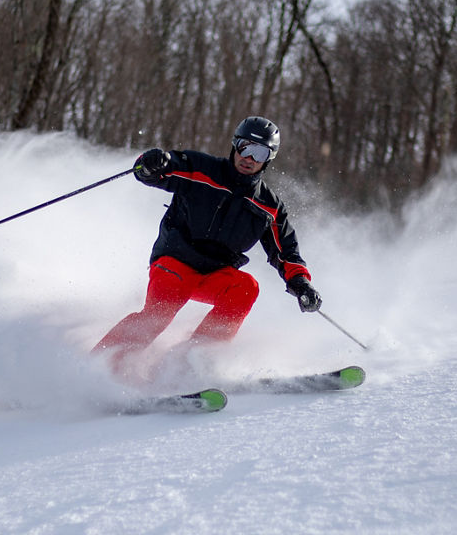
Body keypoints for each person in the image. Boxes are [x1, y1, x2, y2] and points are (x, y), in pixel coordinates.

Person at [92, 116, 321, 375]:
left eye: (260, 152)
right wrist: (151, 164)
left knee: (246, 288)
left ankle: (188, 365)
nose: (249, 158)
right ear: (235, 145)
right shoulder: (202, 169)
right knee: (159, 314)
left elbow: (286, 252)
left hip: (213, 273)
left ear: (269, 158)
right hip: (174, 263)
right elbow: (157, 172)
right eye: (245, 147)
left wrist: (301, 283)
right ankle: (98, 367)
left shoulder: (268, 206)